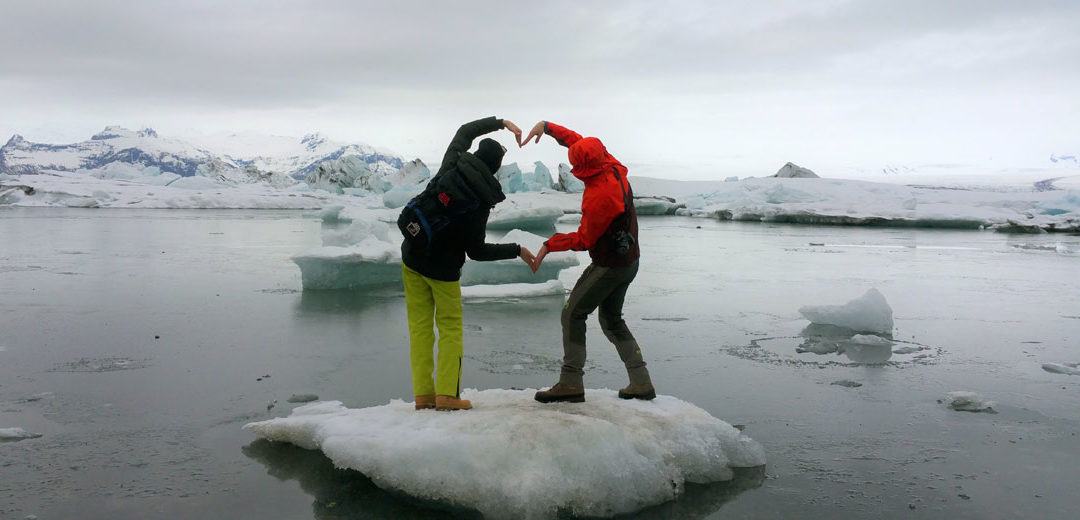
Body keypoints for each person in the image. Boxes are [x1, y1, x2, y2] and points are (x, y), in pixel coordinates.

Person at [402, 116, 535, 411]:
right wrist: (516, 250)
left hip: (412, 254)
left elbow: (465, 131)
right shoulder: (482, 199)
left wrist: (501, 123)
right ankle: (448, 395)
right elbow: (476, 251)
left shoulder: (452, 163)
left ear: (476, 154)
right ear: (495, 169)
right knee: (449, 328)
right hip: (444, 271)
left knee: (420, 328)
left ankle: (424, 396)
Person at [522, 120, 655, 403]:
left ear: (583, 168)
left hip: (610, 265)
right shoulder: (612, 165)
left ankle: (571, 383)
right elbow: (579, 142)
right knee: (611, 319)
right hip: (629, 260)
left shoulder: (600, 196)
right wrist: (546, 127)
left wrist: (549, 244)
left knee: (572, 314)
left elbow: (584, 239)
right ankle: (641, 382)